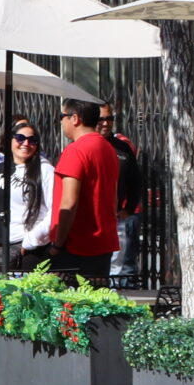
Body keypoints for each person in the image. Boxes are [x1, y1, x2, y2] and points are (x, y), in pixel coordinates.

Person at [48, 98, 121, 287]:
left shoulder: (75, 150)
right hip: (102, 243)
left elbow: (69, 203)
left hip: (76, 245)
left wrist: (58, 244)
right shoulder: (108, 148)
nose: (61, 122)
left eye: (62, 116)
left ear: (75, 118)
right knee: (96, 301)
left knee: (68, 303)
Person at [0, 120, 55, 273]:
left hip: (30, 250)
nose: (26, 144)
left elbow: (54, 211)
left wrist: (30, 241)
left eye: (32, 140)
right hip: (2, 250)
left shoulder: (45, 170)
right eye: (20, 138)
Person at [103, 108, 148, 285]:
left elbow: (135, 180)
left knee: (118, 265)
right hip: (91, 219)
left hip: (117, 217)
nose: (106, 123)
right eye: (101, 119)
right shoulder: (82, 145)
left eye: (110, 118)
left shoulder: (122, 147)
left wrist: (128, 209)